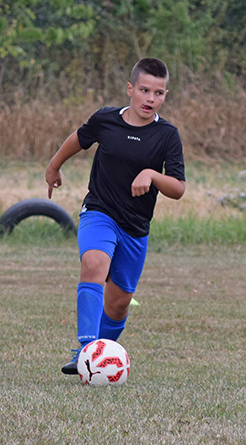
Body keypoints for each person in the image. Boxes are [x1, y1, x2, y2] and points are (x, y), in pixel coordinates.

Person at [45, 57, 185, 375]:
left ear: (165, 95)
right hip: (100, 211)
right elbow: (78, 140)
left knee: (119, 302)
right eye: (145, 90)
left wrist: (151, 174)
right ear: (130, 89)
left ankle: (100, 354)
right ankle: (87, 351)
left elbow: (177, 188)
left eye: (159, 93)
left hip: (135, 227)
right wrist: (54, 166)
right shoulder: (106, 120)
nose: (151, 98)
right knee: (93, 263)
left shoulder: (167, 135)